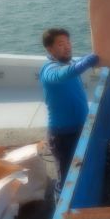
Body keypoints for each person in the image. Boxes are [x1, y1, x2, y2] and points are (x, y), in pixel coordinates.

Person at [39, 27, 99, 202]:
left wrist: (95, 54)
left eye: (68, 42)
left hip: (81, 128)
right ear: (49, 49)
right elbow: (65, 74)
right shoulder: (49, 70)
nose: (67, 47)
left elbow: (74, 66)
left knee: (80, 169)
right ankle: (62, 213)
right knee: (66, 178)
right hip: (62, 135)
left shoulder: (68, 62)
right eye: (61, 44)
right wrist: (89, 60)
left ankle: (77, 203)